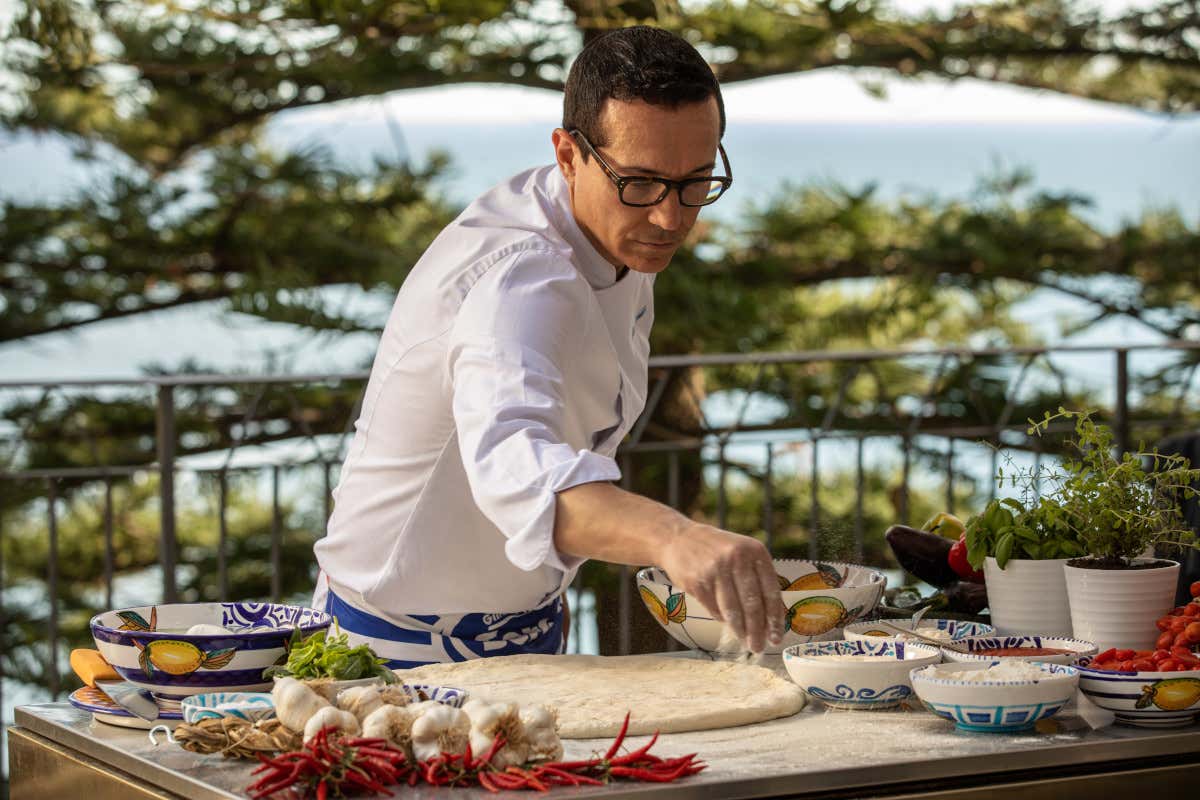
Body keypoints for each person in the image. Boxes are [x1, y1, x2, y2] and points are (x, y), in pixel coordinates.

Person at [311, 25, 785, 666]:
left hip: (528, 629)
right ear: (568, 155)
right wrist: (675, 537)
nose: (671, 218)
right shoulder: (519, 281)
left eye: (696, 181)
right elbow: (519, 472)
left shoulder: (617, 230)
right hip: (395, 648)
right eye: (641, 182)